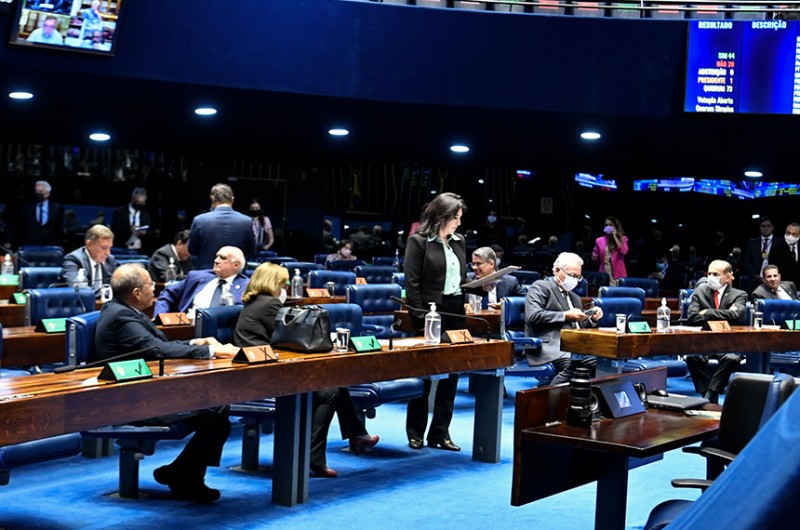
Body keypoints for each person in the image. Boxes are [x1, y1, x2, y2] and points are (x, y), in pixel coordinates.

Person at [94, 264, 239, 502]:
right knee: (214, 413)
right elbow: (157, 349)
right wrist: (211, 351)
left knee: (217, 408)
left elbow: (152, 345)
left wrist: (195, 342)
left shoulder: (124, 310)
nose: (156, 289)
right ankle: (184, 476)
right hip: (129, 400)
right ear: (137, 293)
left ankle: (182, 473)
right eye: (151, 284)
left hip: (145, 388)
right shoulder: (121, 316)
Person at [233, 263, 379, 477]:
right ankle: (316, 455)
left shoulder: (253, 302)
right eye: (283, 284)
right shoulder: (269, 304)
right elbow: (291, 336)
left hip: (262, 369)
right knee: (330, 392)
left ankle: (355, 434)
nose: (285, 287)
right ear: (274, 283)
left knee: (334, 385)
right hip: (261, 377)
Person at [404, 191, 471, 452]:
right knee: (424, 373)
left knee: (452, 375)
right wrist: (421, 319)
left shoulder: (459, 241)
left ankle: (440, 433)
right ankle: (415, 432)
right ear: (442, 216)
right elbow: (412, 285)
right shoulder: (418, 241)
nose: (459, 223)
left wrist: (480, 287)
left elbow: (460, 280)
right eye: (456, 217)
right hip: (429, 312)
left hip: (455, 310)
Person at [524, 252, 603, 385]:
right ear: (557, 270)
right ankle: (550, 397)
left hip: (576, 345)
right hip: (551, 345)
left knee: (604, 362)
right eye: (572, 275)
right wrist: (565, 315)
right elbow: (533, 315)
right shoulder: (541, 287)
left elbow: (580, 327)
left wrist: (593, 319)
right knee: (580, 365)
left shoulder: (575, 297)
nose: (575, 280)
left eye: (578, 277)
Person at [686, 259, 747, 404]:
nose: (711, 277)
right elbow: (692, 317)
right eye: (709, 273)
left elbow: (736, 315)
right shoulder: (700, 292)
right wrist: (725, 313)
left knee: (731, 359)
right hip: (705, 343)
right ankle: (707, 395)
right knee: (691, 358)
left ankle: (709, 394)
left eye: (716, 274)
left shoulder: (739, 294)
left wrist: (706, 312)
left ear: (727, 276)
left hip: (728, 344)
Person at [154, 246, 248, 317]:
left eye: (222, 258)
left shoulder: (246, 286)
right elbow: (168, 293)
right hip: (187, 328)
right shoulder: (196, 277)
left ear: (236, 265)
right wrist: (160, 316)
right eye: (216, 257)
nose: (216, 260)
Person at [188, 183, 256, 269]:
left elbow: (192, 250)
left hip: (206, 274)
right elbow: (251, 252)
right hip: (235, 275)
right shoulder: (247, 221)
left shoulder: (200, 220)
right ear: (232, 199)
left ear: (212, 199)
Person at [4, 180, 64, 249]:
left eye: (40, 191)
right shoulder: (26, 207)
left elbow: (59, 227)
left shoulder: (56, 208)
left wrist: (59, 244)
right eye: (36, 191)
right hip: (29, 244)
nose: (38, 193)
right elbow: (15, 224)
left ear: (48, 193)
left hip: (49, 244)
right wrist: (8, 240)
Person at [61, 225, 117, 296]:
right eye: (104, 248)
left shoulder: (110, 260)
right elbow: (79, 289)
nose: (108, 253)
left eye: (110, 248)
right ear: (89, 244)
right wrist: (106, 293)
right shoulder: (74, 259)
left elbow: (120, 286)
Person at [110, 187, 152, 252]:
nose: (142, 204)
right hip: (122, 246)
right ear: (133, 199)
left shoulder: (145, 215)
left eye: (143, 202)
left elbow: (150, 230)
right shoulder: (120, 212)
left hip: (140, 248)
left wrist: (145, 232)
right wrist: (129, 229)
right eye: (139, 202)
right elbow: (114, 229)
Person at [591, 216, 628, 286]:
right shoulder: (599, 240)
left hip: (618, 273)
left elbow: (624, 251)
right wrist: (594, 255)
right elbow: (594, 257)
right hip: (604, 271)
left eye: (610, 225)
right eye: (606, 225)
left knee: (616, 294)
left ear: (615, 227)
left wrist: (615, 237)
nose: (608, 227)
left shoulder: (623, 239)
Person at [742, 216, 775, 285]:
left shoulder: (780, 243)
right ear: (760, 228)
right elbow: (747, 261)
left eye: (768, 226)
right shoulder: (752, 243)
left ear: (772, 228)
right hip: (755, 281)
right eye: (763, 226)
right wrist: (755, 276)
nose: (765, 228)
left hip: (774, 280)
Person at [768, 222, 800, 287]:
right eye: (788, 233)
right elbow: (773, 268)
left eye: (794, 234)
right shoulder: (776, 248)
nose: (790, 236)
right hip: (783, 285)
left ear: (799, 235)